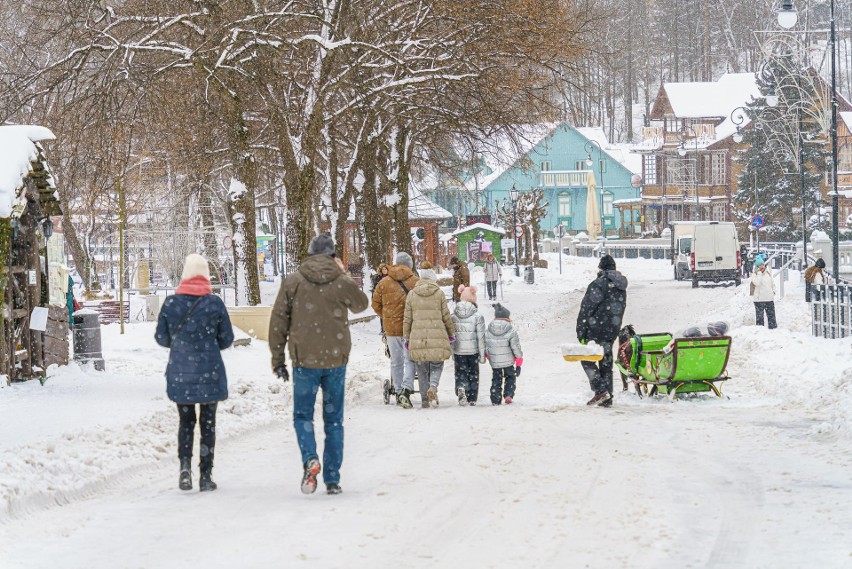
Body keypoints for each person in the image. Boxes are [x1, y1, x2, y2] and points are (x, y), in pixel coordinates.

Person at [268, 234, 369, 495]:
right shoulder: (340, 281)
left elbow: (278, 322)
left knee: (303, 416)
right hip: (335, 360)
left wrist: (278, 359)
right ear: (333, 256)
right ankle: (333, 479)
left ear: (310, 254)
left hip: (304, 361)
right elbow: (361, 305)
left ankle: (310, 458)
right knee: (333, 420)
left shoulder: (293, 281)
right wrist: (343, 275)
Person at [155, 253, 234, 492]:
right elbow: (227, 338)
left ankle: (185, 470)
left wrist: (180, 346)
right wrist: (208, 345)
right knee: (208, 424)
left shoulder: (171, 303)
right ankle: (206, 475)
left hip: (181, 372)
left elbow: (161, 337)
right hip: (209, 371)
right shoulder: (215, 304)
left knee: (186, 422)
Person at [576, 254, 628, 407]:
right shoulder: (620, 286)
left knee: (587, 358)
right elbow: (619, 308)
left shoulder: (598, 284)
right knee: (606, 363)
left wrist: (581, 331)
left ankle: (600, 391)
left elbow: (586, 309)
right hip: (612, 330)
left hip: (595, 329)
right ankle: (607, 397)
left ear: (601, 268)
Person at [403, 260, 455, 408]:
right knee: (437, 364)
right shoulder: (439, 293)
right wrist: (451, 332)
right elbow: (446, 315)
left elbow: (407, 319)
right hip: (437, 336)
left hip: (418, 338)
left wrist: (406, 337)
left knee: (421, 368)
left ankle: (425, 400)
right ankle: (433, 386)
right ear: (433, 278)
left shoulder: (412, 294)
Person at [372, 252, 419, 404]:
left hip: (391, 329)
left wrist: (387, 316)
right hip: (410, 328)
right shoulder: (416, 282)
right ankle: (407, 388)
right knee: (410, 360)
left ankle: (398, 391)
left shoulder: (384, 283)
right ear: (410, 265)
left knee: (396, 361)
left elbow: (375, 305)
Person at [451, 284, 486, 405]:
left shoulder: (453, 316)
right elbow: (481, 337)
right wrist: (482, 355)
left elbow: (451, 335)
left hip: (458, 350)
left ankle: (461, 387)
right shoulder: (478, 316)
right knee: (473, 373)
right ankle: (472, 397)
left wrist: (452, 351)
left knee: (460, 371)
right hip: (473, 351)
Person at [484, 303, 523, 405]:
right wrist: (518, 363)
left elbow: (485, 346)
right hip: (509, 362)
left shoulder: (488, 330)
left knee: (496, 378)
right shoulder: (511, 330)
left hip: (495, 361)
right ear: (507, 317)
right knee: (510, 377)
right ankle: (508, 395)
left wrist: (489, 357)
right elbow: (516, 347)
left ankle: (495, 398)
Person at [750, 256, 777, 329]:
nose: (762, 266)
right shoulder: (754, 275)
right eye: (760, 265)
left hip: (769, 299)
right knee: (760, 320)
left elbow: (772, 283)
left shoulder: (768, 273)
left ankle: (774, 332)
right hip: (759, 300)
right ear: (757, 266)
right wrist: (759, 273)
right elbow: (757, 283)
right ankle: (760, 333)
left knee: (772, 319)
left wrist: (773, 291)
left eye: (763, 264)